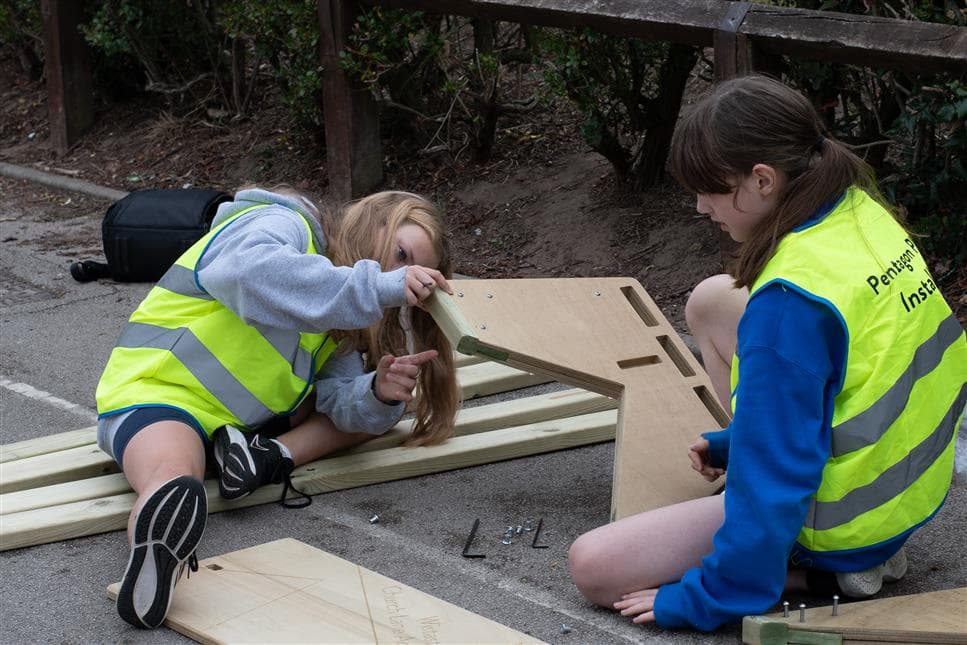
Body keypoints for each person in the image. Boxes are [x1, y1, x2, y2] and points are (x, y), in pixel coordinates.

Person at [567, 75, 967, 632]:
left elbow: (776, 476)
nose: (701, 208)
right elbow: (867, 372)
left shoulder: (787, 306)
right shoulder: (855, 207)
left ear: (761, 180)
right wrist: (742, 439)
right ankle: (852, 548)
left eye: (709, 188)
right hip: (909, 488)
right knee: (712, 301)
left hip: (845, 519)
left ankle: (815, 573)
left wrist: (704, 597)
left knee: (594, 566)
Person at [94, 187, 461, 629]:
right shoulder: (282, 222)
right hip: (159, 393)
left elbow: (340, 402)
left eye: (409, 267)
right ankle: (157, 553)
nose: (396, 271)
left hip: (237, 432)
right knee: (171, 473)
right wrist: (376, 287)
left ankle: (258, 461)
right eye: (400, 253)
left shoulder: (341, 316)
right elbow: (251, 276)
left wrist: (378, 392)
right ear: (372, 221)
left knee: (377, 410)